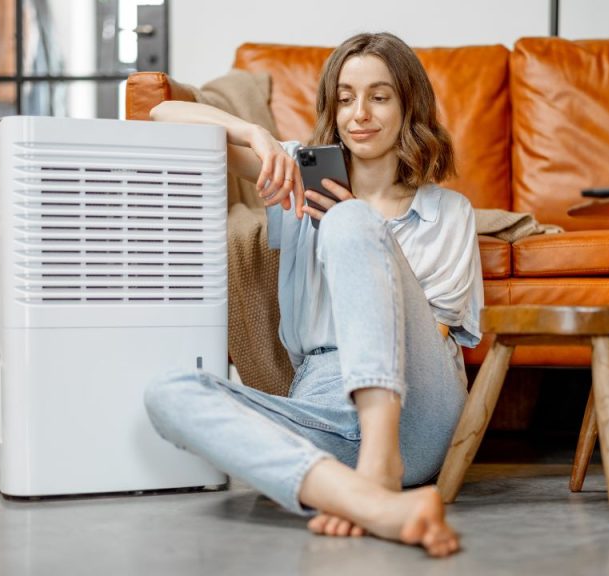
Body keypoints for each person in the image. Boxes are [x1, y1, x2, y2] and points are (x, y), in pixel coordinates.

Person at [144, 32, 483, 558]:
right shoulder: (297, 178)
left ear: (408, 105)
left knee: (349, 220)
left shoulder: (449, 212)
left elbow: (431, 335)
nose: (359, 114)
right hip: (321, 403)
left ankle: (377, 467)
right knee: (169, 394)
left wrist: (358, 224)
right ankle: (368, 502)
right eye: (345, 99)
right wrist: (255, 135)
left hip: (415, 410)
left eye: (379, 96)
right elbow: (161, 116)